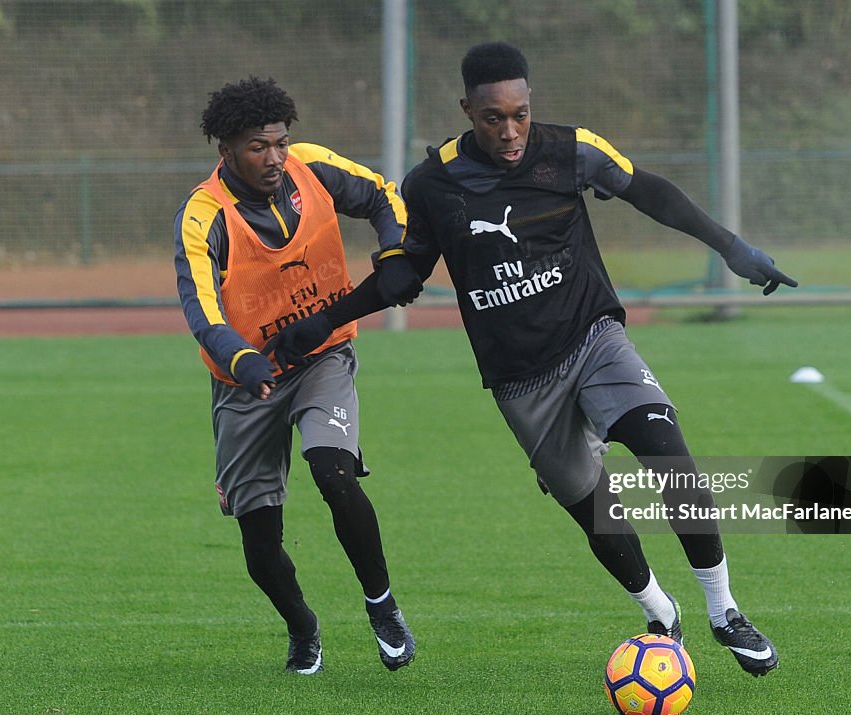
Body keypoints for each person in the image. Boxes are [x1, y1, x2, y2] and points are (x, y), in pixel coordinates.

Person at [267, 42, 796, 676]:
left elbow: (648, 191)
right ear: (467, 110)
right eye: (493, 118)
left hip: (593, 337)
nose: (511, 131)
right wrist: (325, 321)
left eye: (520, 113)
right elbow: (405, 277)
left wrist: (730, 247)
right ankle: (660, 613)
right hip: (521, 379)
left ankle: (723, 609)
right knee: (592, 507)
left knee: (668, 453)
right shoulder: (431, 184)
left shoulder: (571, 150)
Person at [174, 77, 416, 675]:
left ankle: (382, 607)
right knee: (260, 545)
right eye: (259, 147)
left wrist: (392, 250)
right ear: (225, 149)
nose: (276, 158)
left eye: (281, 142)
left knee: (332, 470)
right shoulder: (204, 218)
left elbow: (384, 195)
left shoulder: (311, 168)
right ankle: (303, 627)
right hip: (246, 380)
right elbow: (202, 314)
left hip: (322, 356)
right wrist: (243, 359)